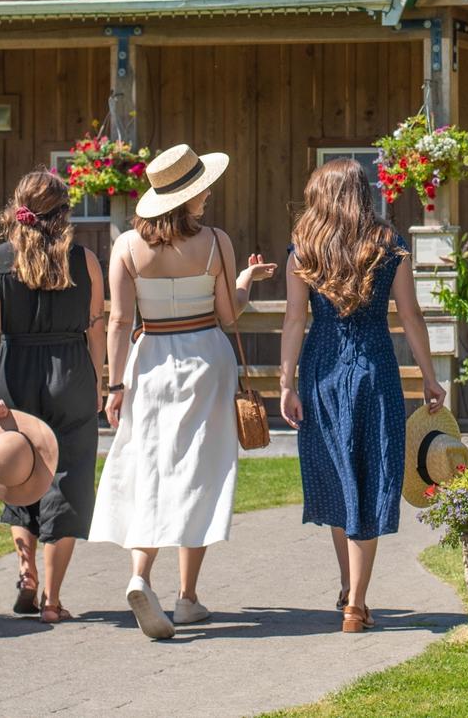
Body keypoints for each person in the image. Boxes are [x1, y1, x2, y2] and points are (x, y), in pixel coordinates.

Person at [90, 144, 275, 640]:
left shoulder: (127, 246)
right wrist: (244, 281)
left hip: (150, 363)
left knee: (149, 467)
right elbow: (229, 314)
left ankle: (139, 577)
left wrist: (115, 383)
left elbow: (119, 320)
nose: (208, 195)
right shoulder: (215, 241)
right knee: (198, 471)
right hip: (206, 361)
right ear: (186, 197)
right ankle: (187, 598)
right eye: (201, 189)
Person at [279, 156, 446, 633]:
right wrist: (429, 377)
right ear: (362, 194)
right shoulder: (387, 243)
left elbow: (294, 320)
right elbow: (411, 316)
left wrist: (288, 383)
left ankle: (349, 589)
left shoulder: (303, 249)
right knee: (369, 477)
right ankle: (356, 601)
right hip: (373, 365)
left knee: (337, 475)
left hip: (321, 368)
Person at [0, 170, 105, 624]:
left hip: (15, 372)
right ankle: (52, 600)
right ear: (64, 213)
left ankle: (26, 571)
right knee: (67, 477)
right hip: (69, 370)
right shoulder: (85, 260)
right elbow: (96, 326)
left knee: (17, 469)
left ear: (17, 209)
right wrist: (101, 381)